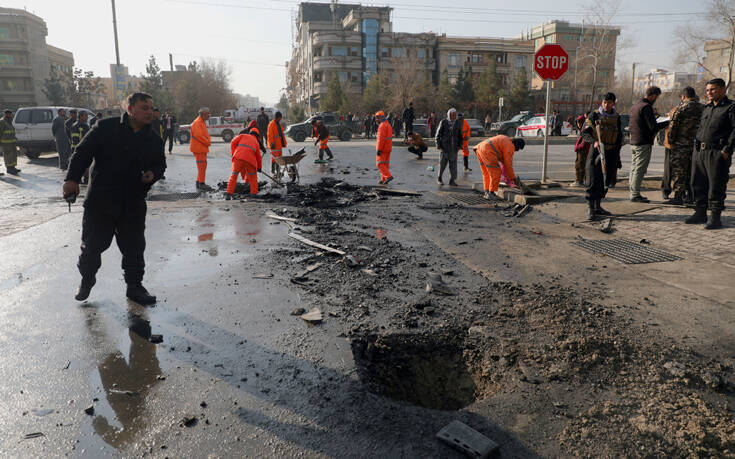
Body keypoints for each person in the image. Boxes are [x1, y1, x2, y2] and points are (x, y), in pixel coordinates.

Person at [62, 92, 166, 304]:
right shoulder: (106, 128)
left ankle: (135, 287)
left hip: (133, 202)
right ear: (130, 109)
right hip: (101, 202)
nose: (150, 112)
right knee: (92, 247)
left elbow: (160, 164)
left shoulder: (153, 137)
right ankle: (87, 279)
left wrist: (152, 174)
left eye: (151, 108)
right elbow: (82, 152)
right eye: (144, 108)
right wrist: (71, 179)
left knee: (134, 248)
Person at [686, 78, 735, 229]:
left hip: (716, 153)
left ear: (722, 89)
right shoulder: (707, 108)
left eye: (712, 89)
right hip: (700, 152)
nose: (709, 93)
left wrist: (726, 150)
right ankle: (700, 213)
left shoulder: (730, 107)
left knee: (716, 185)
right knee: (698, 183)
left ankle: (715, 217)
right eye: (707, 90)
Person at [580, 92, 623, 220]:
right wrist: (594, 142)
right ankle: (590, 209)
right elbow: (584, 133)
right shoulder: (595, 115)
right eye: (604, 102)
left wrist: (617, 156)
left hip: (611, 152)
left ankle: (598, 207)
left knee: (605, 181)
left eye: (609, 103)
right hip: (596, 153)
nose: (606, 105)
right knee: (593, 180)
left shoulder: (617, 117)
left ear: (613, 103)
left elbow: (619, 137)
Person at [628, 86, 669, 202]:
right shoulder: (646, 107)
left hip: (634, 141)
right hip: (643, 142)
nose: (656, 99)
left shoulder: (635, 106)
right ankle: (635, 194)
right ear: (654, 95)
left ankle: (632, 191)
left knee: (634, 168)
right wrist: (667, 122)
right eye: (657, 97)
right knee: (640, 169)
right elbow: (653, 127)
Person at [664, 86, 703, 205]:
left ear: (683, 96)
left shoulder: (681, 108)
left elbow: (673, 127)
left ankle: (678, 196)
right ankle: (691, 196)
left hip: (681, 146)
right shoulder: (703, 108)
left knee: (679, 171)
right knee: (693, 171)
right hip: (697, 145)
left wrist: (671, 141)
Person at [473, 135, 525, 200]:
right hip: (488, 151)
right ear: (517, 145)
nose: (517, 150)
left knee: (487, 173)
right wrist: (513, 179)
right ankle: (491, 193)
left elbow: (503, 160)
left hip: (480, 149)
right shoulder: (510, 146)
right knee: (496, 173)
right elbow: (508, 164)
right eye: (519, 149)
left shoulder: (506, 140)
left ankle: (487, 192)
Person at [226, 127, 262, 199]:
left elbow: (233, 142)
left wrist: (234, 153)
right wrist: (259, 167)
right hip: (250, 161)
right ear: (257, 136)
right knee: (253, 178)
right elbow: (258, 157)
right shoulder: (256, 143)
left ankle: (229, 193)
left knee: (234, 175)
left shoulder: (243, 136)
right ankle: (254, 194)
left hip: (238, 158)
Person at [435, 108, 463, 186]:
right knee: (442, 164)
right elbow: (437, 135)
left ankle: (452, 180)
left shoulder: (458, 123)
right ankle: (439, 178)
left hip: (454, 148)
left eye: (455, 115)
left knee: (453, 166)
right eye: (452, 115)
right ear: (449, 115)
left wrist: (460, 146)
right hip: (444, 148)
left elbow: (460, 135)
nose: (454, 116)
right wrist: (438, 145)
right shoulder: (443, 122)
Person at [190, 107, 212, 191]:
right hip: (199, 148)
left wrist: (207, 141)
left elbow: (203, 135)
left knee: (202, 165)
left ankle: (199, 182)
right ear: (202, 114)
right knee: (202, 166)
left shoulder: (201, 122)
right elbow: (199, 136)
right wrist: (208, 142)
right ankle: (201, 183)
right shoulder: (198, 122)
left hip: (201, 148)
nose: (209, 115)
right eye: (207, 114)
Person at [71, 112, 91, 184]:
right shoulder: (82, 126)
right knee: (84, 164)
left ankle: (80, 179)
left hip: (77, 148)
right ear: (81, 117)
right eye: (86, 116)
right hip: (81, 148)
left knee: (78, 165)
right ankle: (85, 179)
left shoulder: (75, 125)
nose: (87, 117)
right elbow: (75, 138)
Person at [375, 111, 393, 184]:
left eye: (377, 118)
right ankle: (384, 179)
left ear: (380, 118)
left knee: (379, 164)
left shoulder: (382, 126)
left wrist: (379, 149)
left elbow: (380, 139)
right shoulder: (388, 125)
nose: (376, 120)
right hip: (388, 148)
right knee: (385, 164)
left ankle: (388, 176)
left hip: (383, 148)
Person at [573, 114, 590, 187]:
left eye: (580, 123)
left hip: (583, 152)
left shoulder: (585, 131)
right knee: (579, 166)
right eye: (577, 123)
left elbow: (583, 143)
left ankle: (580, 181)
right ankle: (582, 181)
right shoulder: (582, 131)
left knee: (580, 166)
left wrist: (577, 147)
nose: (578, 124)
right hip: (581, 152)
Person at [0, 109, 19, 175]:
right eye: (9, 114)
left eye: (11, 114)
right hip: (6, 143)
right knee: (8, 156)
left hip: (12, 142)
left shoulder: (10, 121)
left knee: (13, 155)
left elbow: (11, 131)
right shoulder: (2, 121)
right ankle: (9, 169)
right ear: (6, 114)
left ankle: (13, 167)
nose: (11, 115)